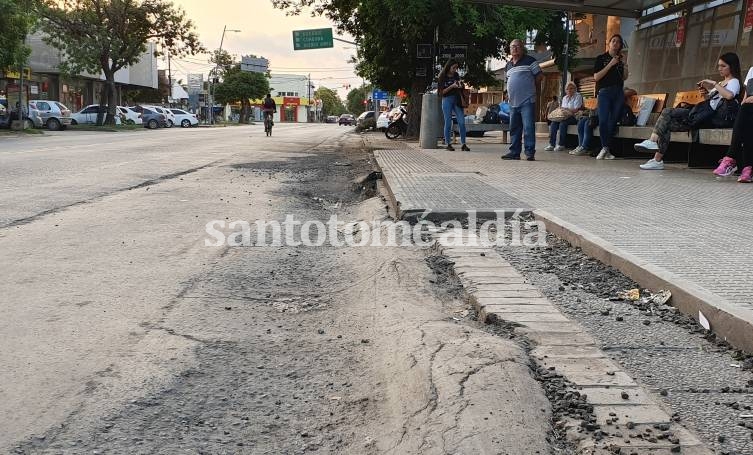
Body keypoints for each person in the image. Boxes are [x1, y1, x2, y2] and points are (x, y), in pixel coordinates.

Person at [637, 52, 742, 170]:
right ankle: (657, 159)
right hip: (703, 116)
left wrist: (714, 84)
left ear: (732, 66)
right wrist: (706, 94)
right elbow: (712, 103)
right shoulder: (722, 83)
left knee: (667, 111)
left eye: (723, 66)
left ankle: (652, 142)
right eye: (719, 66)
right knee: (666, 124)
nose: (720, 69)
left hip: (713, 119)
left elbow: (729, 96)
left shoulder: (734, 81)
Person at [502, 39, 543, 161]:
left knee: (528, 127)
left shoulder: (530, 61)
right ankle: (514, 152)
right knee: (514, 128)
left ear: (522, 48)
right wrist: (506, 94)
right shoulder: (508, 65)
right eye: (512, 46)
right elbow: (506, 82)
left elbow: (539, 77)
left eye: (517, 46)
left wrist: (530, 89)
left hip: (527, 100)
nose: (515, 48)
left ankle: (530, 153)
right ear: (510, 49)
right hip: (513, 102)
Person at [711, 65, 753, 182]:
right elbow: (747, 94)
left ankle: (732, 158)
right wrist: (744, 104)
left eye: (723, 65)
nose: (720, 68)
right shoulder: (752, 70)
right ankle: (747, 168)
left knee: (746, 113)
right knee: (745, 112)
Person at [593, 34, 629, 160]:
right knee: (603, 120)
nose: (615, 44)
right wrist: (610, 64)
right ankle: (604, 148)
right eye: (613, 41)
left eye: (618, 42)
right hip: (604, 92)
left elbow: (624, 77)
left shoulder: (620, 60)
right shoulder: (601, 58)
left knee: (613, 120)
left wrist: (625, 65)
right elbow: (596, 77)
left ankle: (606, 149)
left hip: (618, 92)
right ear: (609, 43)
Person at [437, 58, 469, 151]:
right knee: (448, 122)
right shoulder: (442, 76)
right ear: (448, 67)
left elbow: (460, 85)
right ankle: (448, 143)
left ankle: (463, 144)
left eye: (456, 68)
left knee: (462, 122)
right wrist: (452, 86)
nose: (455, 70)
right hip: (447, 99)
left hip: (457, 99)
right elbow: (441, 93)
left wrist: (460, 85)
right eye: (453, 68)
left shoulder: (456, 75)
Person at [545, 82, 583, 152]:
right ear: (565, 90)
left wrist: (565, 109)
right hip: (564, 116)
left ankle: (561, 144)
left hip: (574, 116)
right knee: (553, 123)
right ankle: (551, 144)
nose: (569, 90)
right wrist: (564, 110)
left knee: (563, 123)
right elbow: (562, 109)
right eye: (567, 89)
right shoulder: (565, 98)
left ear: (575, 89)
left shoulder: (578, 96)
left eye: (571, 88)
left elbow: (576, 109)